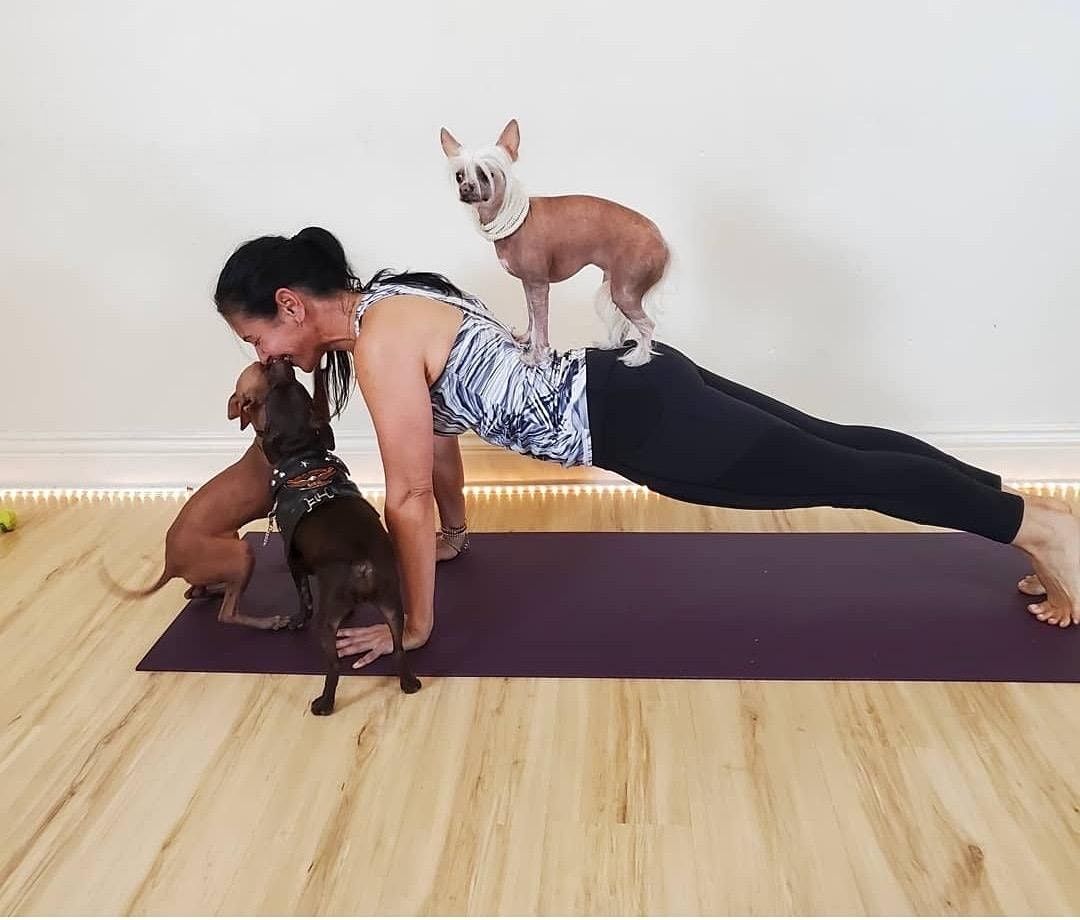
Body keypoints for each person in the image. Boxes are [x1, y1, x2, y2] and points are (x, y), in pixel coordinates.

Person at [215, 227, 1080, 669]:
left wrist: (418, 623)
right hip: (639, 376)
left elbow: (402, 489)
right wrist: (458, 532)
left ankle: (1040, 529)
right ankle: (1026, 510)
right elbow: (437, 446)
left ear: (290, 304)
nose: (259, 357)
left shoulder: (374, 347)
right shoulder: (393, 295)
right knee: (840, 444)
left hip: (637, 422)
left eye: (253, 336)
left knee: (841, 468)